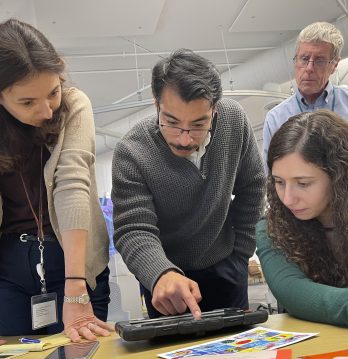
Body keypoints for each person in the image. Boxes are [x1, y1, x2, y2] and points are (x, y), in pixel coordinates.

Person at [112, 49, 266, 319]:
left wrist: (241, 256)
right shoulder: (131, 151)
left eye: (198, 124)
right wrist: (160, 273)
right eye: (171, 123)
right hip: (165, 282)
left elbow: (252, 187)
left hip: (226, 268)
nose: (184, 139)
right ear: (155, 104)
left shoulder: (234, 121)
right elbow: (134, 229)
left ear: (214, 110)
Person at [0, 19, 113, 341]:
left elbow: (73, 184)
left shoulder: (74, 104)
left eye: (53, 92)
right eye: (27, 102)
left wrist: (76, 289)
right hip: (8, 265)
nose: (47, 111)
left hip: (74, 259)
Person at [256, 109, 348, 331]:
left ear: (339, 176)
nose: (288, 198)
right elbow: (293, 291)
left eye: (303, 183)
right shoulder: (271, 228)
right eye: (279, 182)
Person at [262, 21, 348, 172]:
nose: (309, 68)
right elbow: (270, 175)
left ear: (334, 65)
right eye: (304, 58)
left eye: (319, 61)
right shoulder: (276, 117)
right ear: (295, 60)